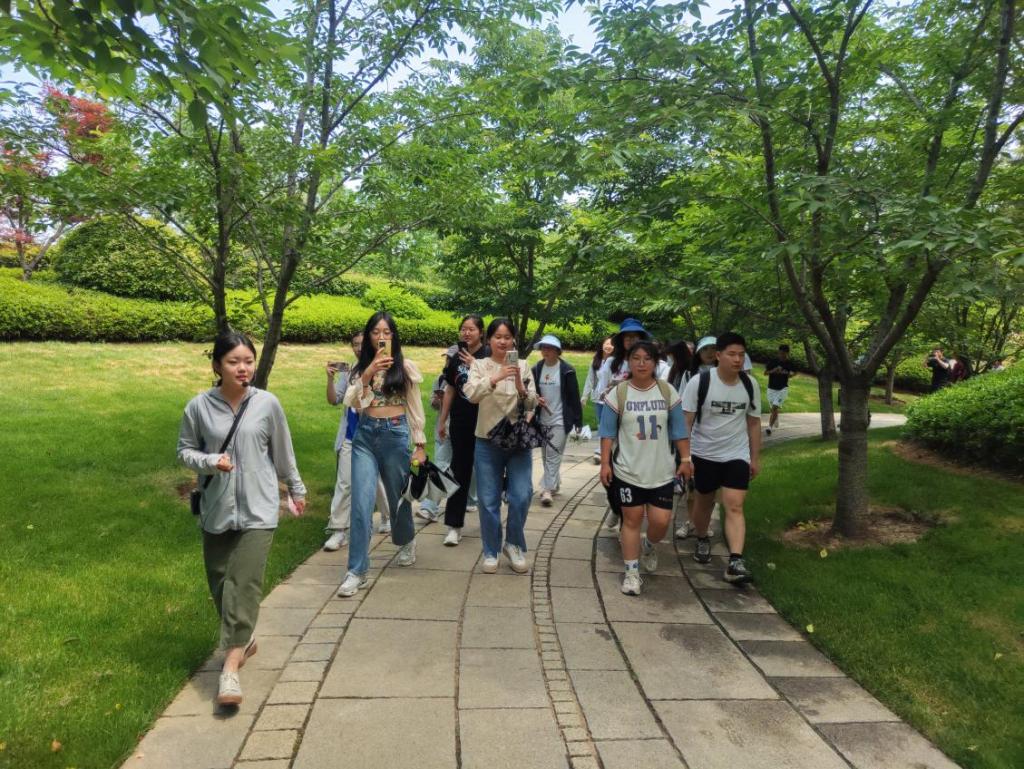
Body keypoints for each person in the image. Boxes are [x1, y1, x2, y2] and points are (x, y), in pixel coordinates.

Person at [177, 331, 306, 707]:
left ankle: (230, 668)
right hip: (217, 508)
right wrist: (209, 461)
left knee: (244, 584)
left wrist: (296, 489)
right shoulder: (198, 407)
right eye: (234, 362)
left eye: (248, 361)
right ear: (217, 366)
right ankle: (245, 640)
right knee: (220, 583)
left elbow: (283, 452)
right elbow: (184, 450)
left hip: (259, 508)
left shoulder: (267, 404)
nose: (243, 368)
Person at [337, 312, 427, 597]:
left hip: (395, 433)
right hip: (365, 435)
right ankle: (357, 571)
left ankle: (406, 540)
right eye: (376, 332)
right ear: (369, 336)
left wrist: (420, 443)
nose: (381, 337)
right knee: (361, 503)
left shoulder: (405, 366)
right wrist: (367, 374)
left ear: (394, 336)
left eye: (387, 332)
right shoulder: (361, 368)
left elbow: (414, 405)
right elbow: (354, 403)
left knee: (397, 496)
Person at [600, 341, 692, 596]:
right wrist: (605, 463)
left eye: (647, 358)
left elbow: (679, 429)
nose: (641, 363)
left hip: (661, 471)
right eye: (636, 358)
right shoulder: (618, 393)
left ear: (655, 362)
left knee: (661, 522)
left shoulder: (666, 391)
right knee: (631, 520)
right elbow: (607, 433)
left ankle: (649, 546)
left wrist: (685, 460)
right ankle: (631, 574)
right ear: (628, 361)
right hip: (628, 470)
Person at [682, 331, 761, 585]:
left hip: (736, 454)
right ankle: (702, 537)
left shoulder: (750, 385)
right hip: (704, 453)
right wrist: (685, 457)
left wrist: (754, 458)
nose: (737, 359)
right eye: (732, 354)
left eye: (741, 355)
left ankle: (735, 561)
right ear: (718, 356)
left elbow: (753, 423)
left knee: (734, 504)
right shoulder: (700, 382)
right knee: (703, 501)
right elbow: (686, 422)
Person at [464, 317, 539, 574]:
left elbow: (531, 404)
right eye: (498, 337)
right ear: (489, 340)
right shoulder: (479, 365)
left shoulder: (524, 366)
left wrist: (519, 384)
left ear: (514, 340)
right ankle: (491, 550)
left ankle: (514, 544)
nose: (503, 342)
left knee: (522, 495)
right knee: (488, 500)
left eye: (507, 337)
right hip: (487, 442)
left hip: (517, 442)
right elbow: (471, 395)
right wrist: (496, 377)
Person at [324, 331, 391, 551]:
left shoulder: (382, 369)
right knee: (344, 483)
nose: (359, 348)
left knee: (377, 481)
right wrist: (330, 379)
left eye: (362, 344)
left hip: (374, 435)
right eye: (354, 344)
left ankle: (388, 516)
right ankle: (338, 530)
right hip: (350, 436)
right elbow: (334, 400)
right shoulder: (349, 371)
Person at [437, 315, 489, 546]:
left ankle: (490, 523)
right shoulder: (456, 357)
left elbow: (494, 384)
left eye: (471, 329)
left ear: (481, 332)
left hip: (485, 422)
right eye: (463, 329)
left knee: (487, 473)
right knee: (459, 471)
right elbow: (450, 389)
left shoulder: (488, 355)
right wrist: (443, 420)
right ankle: (454, 525)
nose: (466, 333)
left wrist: (475, 365)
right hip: (461, 421)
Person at [532, 334, 583, 506]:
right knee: (546, 455)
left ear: (557, 351)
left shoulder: (567, 370)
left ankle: (547, 490)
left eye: (549, 348)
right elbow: (531, 391)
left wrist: (578, 421)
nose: (545, 351)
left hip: (561, 419)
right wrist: (536, 398)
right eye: (543, 348)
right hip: (542, 419)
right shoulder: (537, 368)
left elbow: (574, 397)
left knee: (553, 453)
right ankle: (555, 484)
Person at [416, 350, 456, 524]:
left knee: (470, 469)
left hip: (467, 430)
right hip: (444, 430)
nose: (448, 362)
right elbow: (433, 405)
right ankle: (430, 507)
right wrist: (438, 400)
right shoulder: (440, 380)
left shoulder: (468, 377)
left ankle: (472, 500)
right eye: (447, 359)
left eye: (451, 359)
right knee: (441, 465)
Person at [581, 336, 614, 464]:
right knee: (601, 424)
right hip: (598, 398)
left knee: (608, 424)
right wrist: (584, 397)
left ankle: (604, 450)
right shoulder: (596, 361)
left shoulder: (615, 361)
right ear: (602, 345)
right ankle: (602, 450)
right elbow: (590, 380)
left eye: (611, 344)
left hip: (611, 398)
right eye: (606, 343)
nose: (608, 346)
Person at [763, 343, 797, 436]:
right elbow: (765, 373)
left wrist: (789, 374)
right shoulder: (773, 361)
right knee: (773, 408)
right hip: (771, 388)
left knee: (775, 407)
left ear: (787, 353)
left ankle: (769, 427)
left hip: (783, 389)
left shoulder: (789, 363)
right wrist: (774, 370)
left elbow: (794, 372)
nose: (781, 355)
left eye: (783, 353)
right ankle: (775, 417)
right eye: (780, 353)